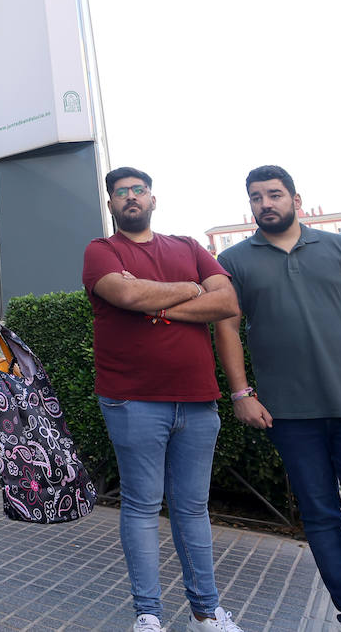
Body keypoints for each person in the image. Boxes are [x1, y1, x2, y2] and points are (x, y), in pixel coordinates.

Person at [216, 165, 341, 632]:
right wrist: (241, 393)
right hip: (288, 416)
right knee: (322, 520)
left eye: (274, 194)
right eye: (255, 198)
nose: (265, 204)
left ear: (296, 199)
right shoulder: (234, 261)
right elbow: (225, 327)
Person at [81, 166, 246, 632]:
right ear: (111, 205)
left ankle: (206, 612)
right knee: (141, 506)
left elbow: (227, 302)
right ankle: (149, 615)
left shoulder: (189, 246)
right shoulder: (101, 251)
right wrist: (194, 289)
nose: (130, 197)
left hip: (197, 400)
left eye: (138, 190)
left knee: (193, 508)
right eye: (120, 193)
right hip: (132, 400)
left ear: (152, 198)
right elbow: (126, 293)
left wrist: (158, 303)